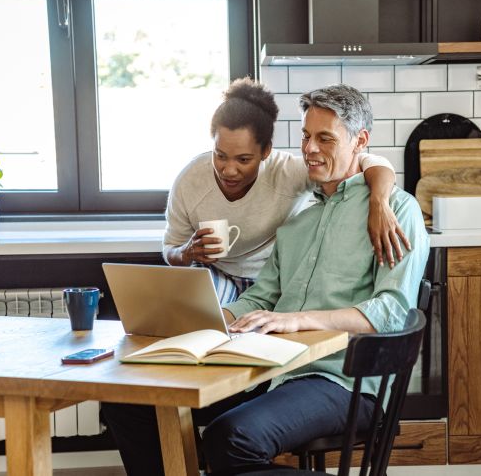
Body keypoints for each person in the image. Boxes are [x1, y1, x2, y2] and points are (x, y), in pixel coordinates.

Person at [101, 84, 429, 475]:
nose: (309, 149)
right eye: (306, 136)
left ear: (360, 141)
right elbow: (261, 297)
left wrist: (298, 319)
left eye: (325, 138)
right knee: (131, 403)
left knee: (231, 438)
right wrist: (211, 317)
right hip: (277, 371)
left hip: (345, 381)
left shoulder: (396, 211)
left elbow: (391, 311)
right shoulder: (298, 223)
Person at [161, 77, 410, 304]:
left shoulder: (287, 172)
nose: (228, 170)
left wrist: (379, 203)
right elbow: (170, 248)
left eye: (244, 159)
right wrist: (186, 252)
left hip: (273, 281)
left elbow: (372, 162)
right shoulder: (190, 182)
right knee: (196, 321)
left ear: (266, 152)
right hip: (219, 274)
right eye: (220, 156)